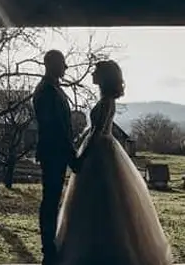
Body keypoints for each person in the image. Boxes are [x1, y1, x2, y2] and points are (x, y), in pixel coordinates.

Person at [55, 60, 173, 265]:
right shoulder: (106, 101)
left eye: (96, 71)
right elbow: (93, 130)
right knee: (100, 201)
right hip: (101, 150)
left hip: (99, 154)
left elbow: (97, 132)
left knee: (101, 199)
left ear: (104, 77)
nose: (92, 74)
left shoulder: (106, 102)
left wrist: (81, 157)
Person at [32, 50, 79, 265]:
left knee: (53, 199)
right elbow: (55, 128)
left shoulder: (54, 89)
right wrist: (71, 156)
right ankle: (48, 249)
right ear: (50, 64)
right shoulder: (45, 91)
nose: (65, 68)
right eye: (62, 63)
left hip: (57, 153)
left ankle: (51, 246)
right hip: (53, 154)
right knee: (50, 201)